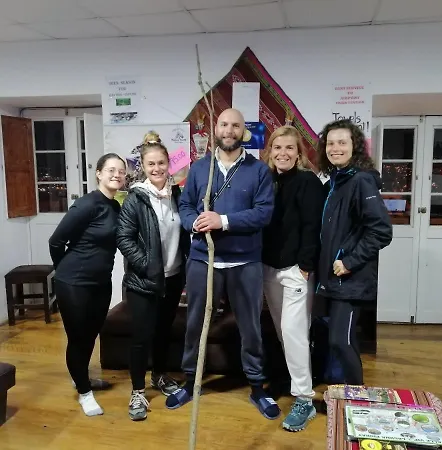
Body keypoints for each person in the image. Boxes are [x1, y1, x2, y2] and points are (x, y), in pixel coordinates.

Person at [165, 108, 281, 420]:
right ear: (216, 129)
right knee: (195, 324)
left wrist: (223, 221)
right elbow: (185, 205)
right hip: (203, 260)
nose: (229, 131)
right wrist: (194, 223)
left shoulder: (258, 171)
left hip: (245, 262)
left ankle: (257, 387)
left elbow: (263, 213)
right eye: (225, 125)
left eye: (236, 126)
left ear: (244, 131)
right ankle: (191, 381)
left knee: (251, 327)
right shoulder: (200, 169)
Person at [116, 132, 190, 421]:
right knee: (141, 336)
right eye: (151, 164)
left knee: (163, 332)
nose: (157, 168)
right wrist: (147, 265)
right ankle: (137, 391)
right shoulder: (136, 198)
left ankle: (159, 375)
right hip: (143, 281)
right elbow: (124, 238)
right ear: (143, 167)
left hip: (172, 278)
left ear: (169, 164)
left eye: (161, 163)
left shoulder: (178, 195)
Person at [49, 153, 126, 417]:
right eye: (111, 170)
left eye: (121, 171)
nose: (117, 174)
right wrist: (65, 270)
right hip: (74, 284)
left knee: (91, 335)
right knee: (78, 338)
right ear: (99, 173)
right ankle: (84, 392)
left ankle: (81, 376)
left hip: (100, 283)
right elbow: (56, 241)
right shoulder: (86, 204)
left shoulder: (115, 206)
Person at [316, 119, 392, 385]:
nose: (335, 148)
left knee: (341, 341)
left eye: (342, 142)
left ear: (355, 146)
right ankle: (349, 394)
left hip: (350, 279)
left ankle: (358, 399)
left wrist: (349, 261)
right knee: (339, 340)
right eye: (330, 143)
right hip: (333, 280)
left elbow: (381, 231)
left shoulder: (361, 181)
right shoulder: (336, 183)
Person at [262, 125, 326, 431]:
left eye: (289, 148)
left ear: (298, 153)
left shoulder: (307, 181)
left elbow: (313, 226)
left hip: (295, 270)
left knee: (294, 332)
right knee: (282, 331)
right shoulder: (267, 181)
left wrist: (305, 266)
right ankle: (291, 381)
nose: (283, 153)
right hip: (269, 269)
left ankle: (304, 399)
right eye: (278, 147)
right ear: (270, 152)